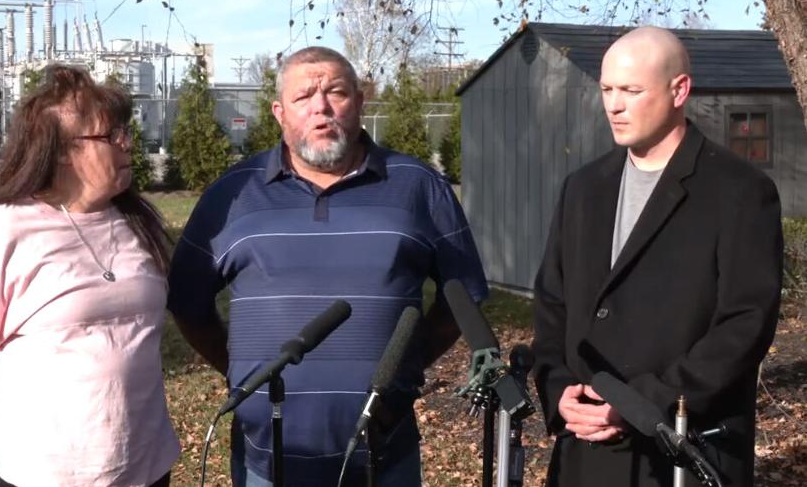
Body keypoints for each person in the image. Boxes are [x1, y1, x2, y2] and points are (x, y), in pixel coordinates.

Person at [168, 46, 488, 486]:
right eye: (304, 97)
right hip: (268, 460)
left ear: (359, 102)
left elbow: (462, 299)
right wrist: (246, 373)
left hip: (384, 457)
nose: (321, 107)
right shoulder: (233, 192)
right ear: (280, 112)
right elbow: (188, 303)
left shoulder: (418, 185)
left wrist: (401, 366)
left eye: (335, 91)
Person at [532, 26, 782, 486]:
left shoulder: (740, 191)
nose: (614, 105)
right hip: (584, 456)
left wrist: (642, 402)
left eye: (631, 90)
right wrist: (557, 388)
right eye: (607, 89)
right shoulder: (582, 189)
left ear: (679, 90)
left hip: (682, 451)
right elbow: (552, 305)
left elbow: (745, 324)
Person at [0, 64, 180, 486]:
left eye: (126, 132)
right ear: (63, 149)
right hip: (44, 470)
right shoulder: (3, 231)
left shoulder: (136, 223)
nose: (127, 145)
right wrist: (11, 419)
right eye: (111, 136)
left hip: (145, 463)